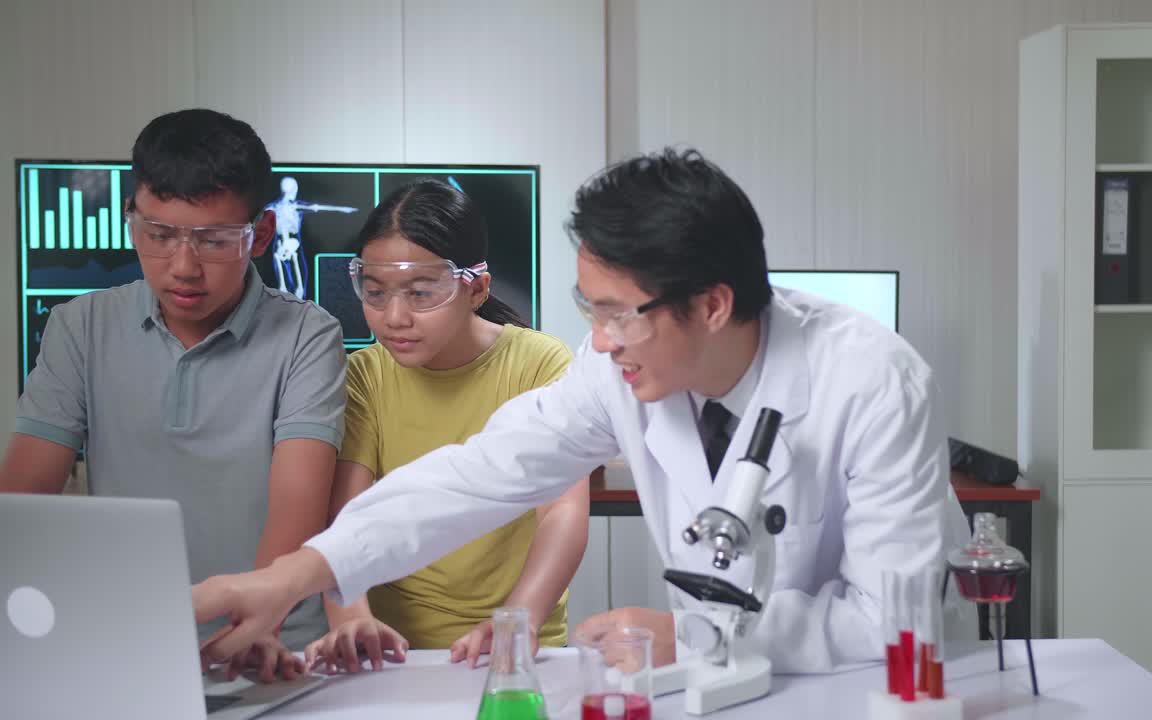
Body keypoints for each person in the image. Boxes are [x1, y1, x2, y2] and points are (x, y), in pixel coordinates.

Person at [194, 148, 975, 674]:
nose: (598, 340)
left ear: (711, 304)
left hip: (871, 697)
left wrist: (694, 636)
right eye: (587, 308)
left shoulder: (872, 381)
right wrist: (296, 576)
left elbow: (898, 626)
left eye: (618, 314)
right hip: (723, 690)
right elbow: (477, 476)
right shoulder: (618, 367)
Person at [0, 109, 346, 679]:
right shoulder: (79, 327)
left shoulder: (308, 335)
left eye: (213, 241)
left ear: (259, 235)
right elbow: (20, 503)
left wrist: (257, 630)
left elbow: (296, 505)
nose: (182, 267)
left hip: (273, 645)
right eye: (158, 235)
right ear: (130, 217)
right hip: (126, 641)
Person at [300, 179, 589, 673]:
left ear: (475, 288)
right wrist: (351, 619)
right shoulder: (364, 377)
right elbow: (345, 517)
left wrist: (519, 621)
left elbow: (562, 514)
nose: (394, 318)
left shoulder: (539, 363)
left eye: (420, 293)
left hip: (515, 641)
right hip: (392, 650)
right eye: (375, 293)